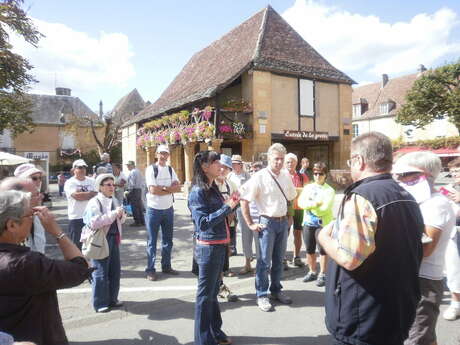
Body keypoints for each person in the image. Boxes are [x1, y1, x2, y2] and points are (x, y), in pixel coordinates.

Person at [318, 132, 424, 345]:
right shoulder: (406, 196)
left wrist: (323, 237)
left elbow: (350, 258)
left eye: (351, 161)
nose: (350, 166)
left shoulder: (363, 196)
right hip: (397, 309)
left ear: (359, 160)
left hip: (364, 316)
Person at [0, 190, 92, 345]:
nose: (34, 219)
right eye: (30, 215)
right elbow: (80, 268)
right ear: (12, 225)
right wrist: (56, 231)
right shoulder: (25, 263)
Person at [392, 151, 455, 345]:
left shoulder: (436, 205)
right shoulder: (418, 202)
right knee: (423, 336)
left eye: (404, 174)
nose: (398, 179)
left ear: (424, 175)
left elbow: (424, 249)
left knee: (418, 338)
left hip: (424, 280)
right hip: (412, 276)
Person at [188, 151, 239, 345]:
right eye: (215, 161)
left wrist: (232, 205)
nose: (220, 165)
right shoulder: (197, 191)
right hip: (208, 248)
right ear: (204, 167)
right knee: (205, 295)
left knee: (212, 292)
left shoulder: (213, 187)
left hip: (219, 244)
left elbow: (222, 212)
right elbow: (202, 223)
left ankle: (215, 331)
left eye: (220, 161)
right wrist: (227, 207)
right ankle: (203, 339)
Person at [240, 143, 297, 312]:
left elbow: (291, 197)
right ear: (269, 158)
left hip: (282, 222)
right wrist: (250, 223)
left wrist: (289, 217)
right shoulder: (260, 176)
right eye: (276, 159)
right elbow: (244, 198)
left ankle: (276, 290)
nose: (279, 162)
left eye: (281, 159)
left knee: (279, 260)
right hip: (267, 223)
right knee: (264, 262)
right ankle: (261, 295)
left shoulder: (285, 176)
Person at [82, 173, 126, 313]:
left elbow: (121, 220)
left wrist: (121, 215)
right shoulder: (94, 202)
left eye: (113, 184)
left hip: (114, 238)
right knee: (100, 271)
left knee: (114, 270)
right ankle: (100, 303)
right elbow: (94, 222)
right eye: (108, 185)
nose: (112, 187)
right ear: (100, 187)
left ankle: (113, 299)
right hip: (100, 240)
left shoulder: (114, 200)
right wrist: (114, 214)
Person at [144, 145, 181, 281]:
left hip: (168, 209)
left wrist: (164, 188)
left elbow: (178, 187)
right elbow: (153, 190)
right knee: (152, 241)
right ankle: (150, 269)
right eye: (161, 153)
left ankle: (166, 266)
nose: (163, 156)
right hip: (153, 209)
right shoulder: (151, 169)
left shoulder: (170, 169)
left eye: (166, 153)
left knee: (167, 240)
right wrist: (169, 188)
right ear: (156, 154)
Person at [298, 161, 335, 287]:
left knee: (323, 250)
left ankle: (323, 274)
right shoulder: (308, 187)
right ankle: (312, 271)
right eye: (315, 173)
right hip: (308, 223)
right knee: (309, 249)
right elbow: (301, 203)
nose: (317, 176)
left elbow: (324, 209)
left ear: (325, 175)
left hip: (322, 224)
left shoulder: (329, 190)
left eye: (321, 174)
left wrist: (310, 205)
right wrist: (315, 204)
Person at [12, 164, 46, 254]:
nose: (38, 181)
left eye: (40, 178)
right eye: (34, 178)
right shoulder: (14, 200)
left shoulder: (36, 196)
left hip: (38, 253)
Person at [64, 159, 97, 250]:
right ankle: (78, 264)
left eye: (84, 167)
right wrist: (90, 194)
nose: (82, 169)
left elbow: (97, 195)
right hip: (76, 217)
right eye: (79, 167)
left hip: (91, 217)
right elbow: (76, 197)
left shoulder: (92, 181)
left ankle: (89, 264)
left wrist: (82, 194)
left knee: (92, 245)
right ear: (73, 170)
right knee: (76, 245)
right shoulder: (70, 182)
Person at [442, 157, 460, 321]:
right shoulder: (447, 189)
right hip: (454, 233)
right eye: (453, 171)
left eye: (458, 170)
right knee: (454, 270)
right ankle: (456, 304)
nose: (455, 174)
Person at [215, 154, 239, 277]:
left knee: (227, 246)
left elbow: (236, 198)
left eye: (226, 168)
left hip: (229, 220)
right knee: (217, 246)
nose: (222, 170)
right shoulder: (211, 183)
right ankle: (217, 270)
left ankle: (226, 268)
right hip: (215, 220)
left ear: (229, 170)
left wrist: (231, 211)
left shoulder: (231, 184)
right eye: (221, 167)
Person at [284, 153, 309, 268]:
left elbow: (308, 191)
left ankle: (297, 257)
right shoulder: (282, 176)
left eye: (292, 162)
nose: (290, 164)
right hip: (286, 209)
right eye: (288, 162)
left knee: (298, 233)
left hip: (299, 208)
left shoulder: (302, 176)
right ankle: (282, 258)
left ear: (296, 163)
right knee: (284, 233)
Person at [228, 154, 251, 256]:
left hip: (242, 203)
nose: (233, 166)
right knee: (231, 226)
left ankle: (247, 251)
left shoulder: (246, 175)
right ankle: (233, 248)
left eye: (235, 164)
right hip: (233, 203)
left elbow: (250, 188)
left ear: (240, 165)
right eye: (232, 164)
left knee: (243, 228)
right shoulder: (229, 175)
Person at [125, 160, 145, 227]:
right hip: (139, 190)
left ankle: (137, 222)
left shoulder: (132, 172)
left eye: (128, 165)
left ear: (132, 165)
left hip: (134, 190)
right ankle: (142, 221)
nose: (128, 167)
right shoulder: (138, 171)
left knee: (134, 207)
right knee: (139, 206)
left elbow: (131, 183)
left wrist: (128, 191)